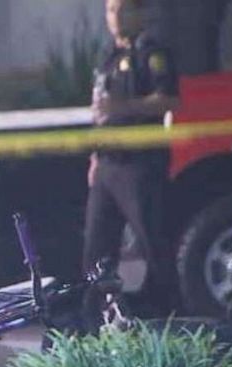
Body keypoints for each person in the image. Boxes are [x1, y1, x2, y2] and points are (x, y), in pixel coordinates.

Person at [84, 0, 180, 318]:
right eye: (111, 10)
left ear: (140, 14)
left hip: (139, 163)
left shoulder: (151, 53)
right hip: (107, 164)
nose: (116, 17)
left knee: (153, 242)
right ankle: (95, 317)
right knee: (97, 247)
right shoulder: (107, 55)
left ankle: (168, 312)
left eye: (124, 9)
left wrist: (124, 107)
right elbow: (100, 111)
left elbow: (169, 100)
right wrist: (95, 157)